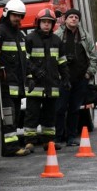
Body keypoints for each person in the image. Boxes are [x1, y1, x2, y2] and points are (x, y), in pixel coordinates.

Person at [24, 9, 70, 152]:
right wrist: (34, 72)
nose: (46, 25)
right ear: (38, 23)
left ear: (52, 24)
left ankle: (48, 142)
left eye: (49, 22)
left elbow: (62, 61)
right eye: (43, 22)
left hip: (52, 85)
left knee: (50, 115)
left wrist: (66, 78)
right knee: (32, 114)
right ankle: (29, 142)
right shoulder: (30, 39)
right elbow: (25, 60)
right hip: (35, 85)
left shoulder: (57, 41)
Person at [54, 8, 97, 146]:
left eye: (76, 17)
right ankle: (58, 137)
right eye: (71, 17)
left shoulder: (85, 36)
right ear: (65, 20)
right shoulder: (58, 36)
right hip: (63, 79)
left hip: (80, 79)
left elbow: (93, 57)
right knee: (60, 108)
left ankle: (71, 137)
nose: (74, 19)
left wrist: (88, 74)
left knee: (74, 109)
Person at [0, 0, 31, 157]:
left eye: (20, 16)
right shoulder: (0, 32)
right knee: (9, 116)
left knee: (15, 115)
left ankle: (10, 145)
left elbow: (25, 60)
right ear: (7, 14)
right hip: (5, 85)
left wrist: (29, 77)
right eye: (15, 15)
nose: (18, 19)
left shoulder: (21, 35)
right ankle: (10, 148)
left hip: (18, 85)